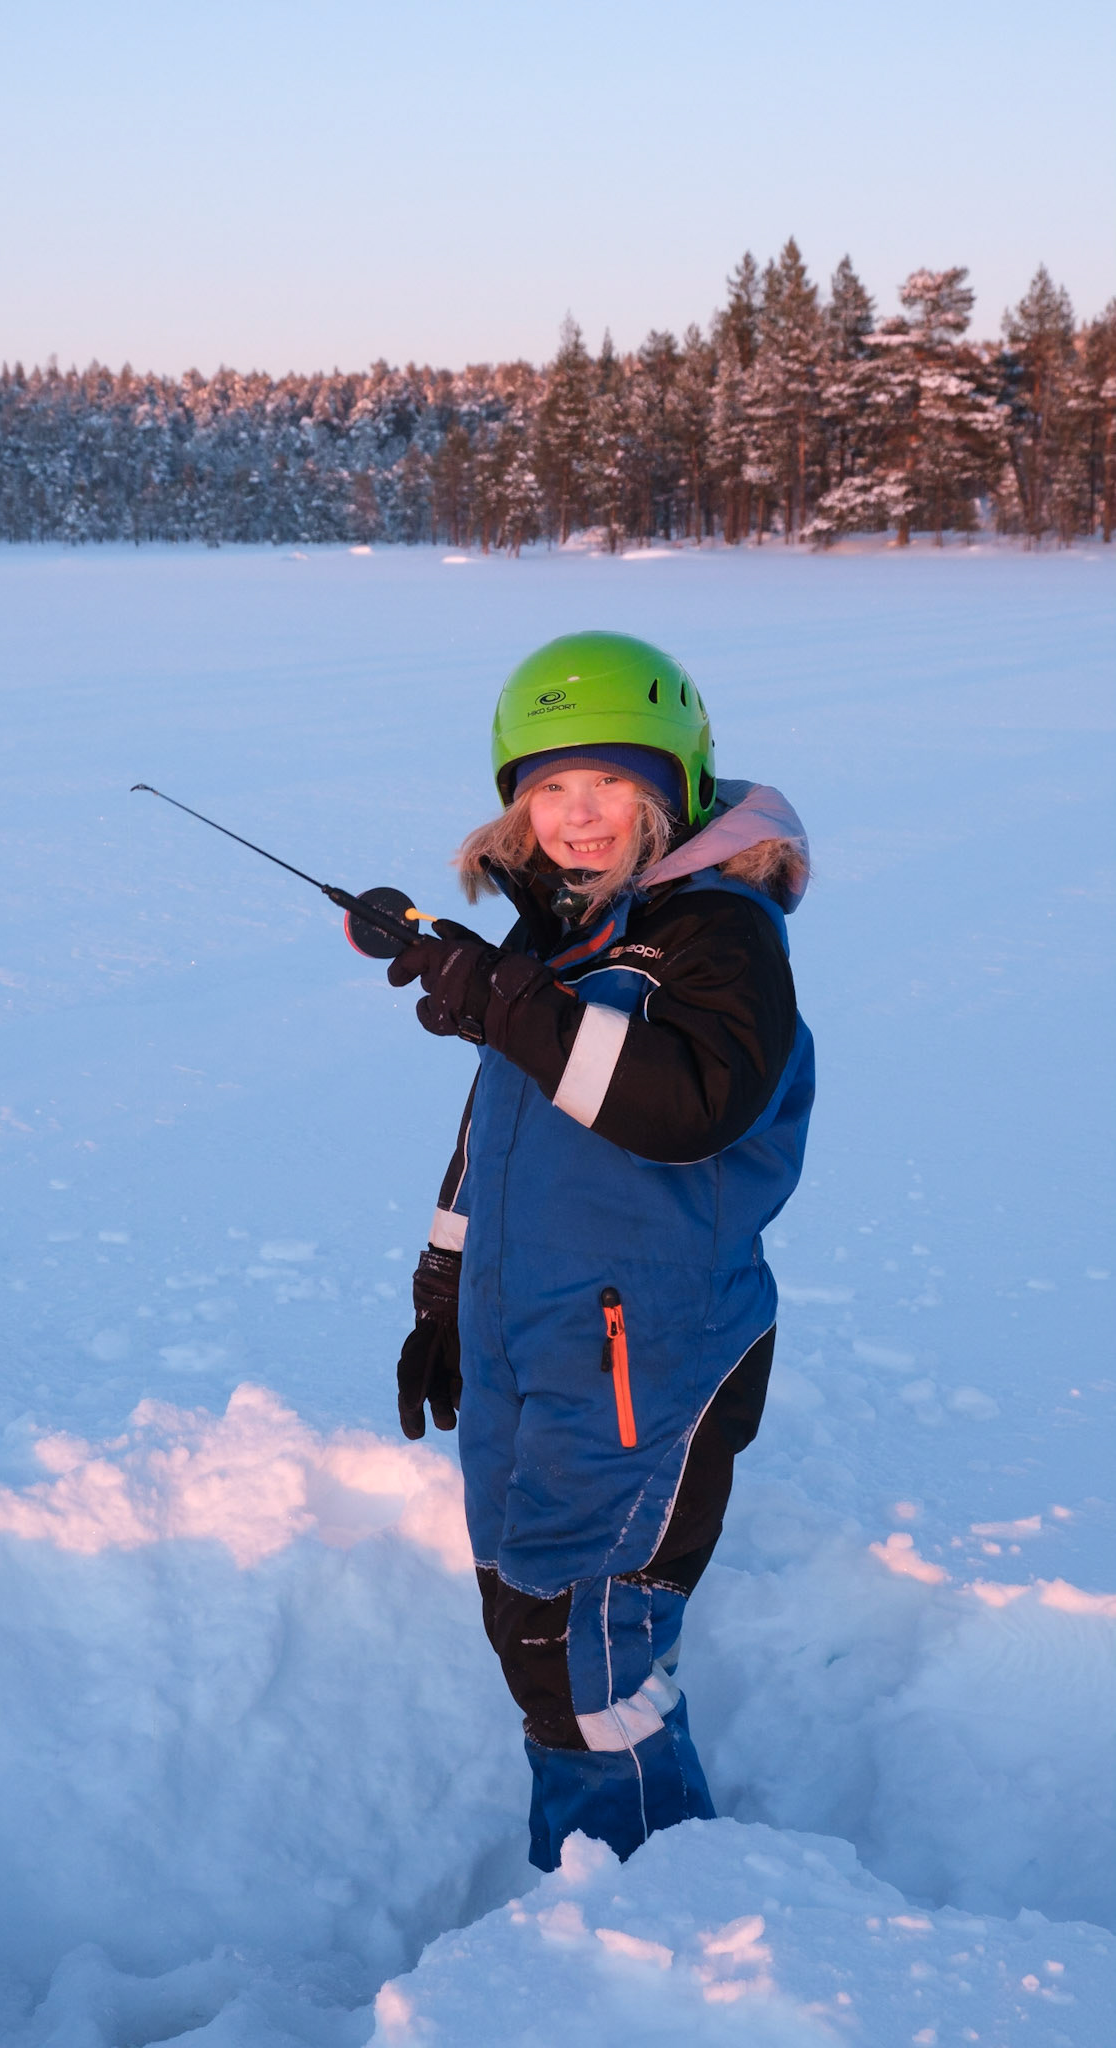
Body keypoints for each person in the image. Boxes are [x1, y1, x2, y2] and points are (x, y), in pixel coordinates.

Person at [387, 630, 815, 1874]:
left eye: (610, 784)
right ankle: (596, 1890)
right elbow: (498, 1131)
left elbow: (691, 1106)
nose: (577, 817)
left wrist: (512, 1006)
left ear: (672, 783)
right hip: (530, 1338)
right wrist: (443, 1289)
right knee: (528, 1613)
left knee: (584, 1646)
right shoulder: (558, 936)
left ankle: (642, 1928)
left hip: (649, 1351)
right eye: (549, 788)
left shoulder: (717, 934)